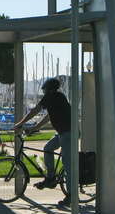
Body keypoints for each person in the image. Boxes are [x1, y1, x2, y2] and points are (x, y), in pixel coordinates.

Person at [13, 78, 72, 206]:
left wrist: (19, 123)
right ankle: (50, 178)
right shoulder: (57, 97)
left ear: (49, 89)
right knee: (47, 148)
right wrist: (34, 128)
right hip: (62, 133)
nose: (43, 90)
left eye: (44, 88)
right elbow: (48, 117)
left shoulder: (51, 96)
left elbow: (35, 110)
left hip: (68, 133)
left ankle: (71, 196)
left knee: (67, 164)